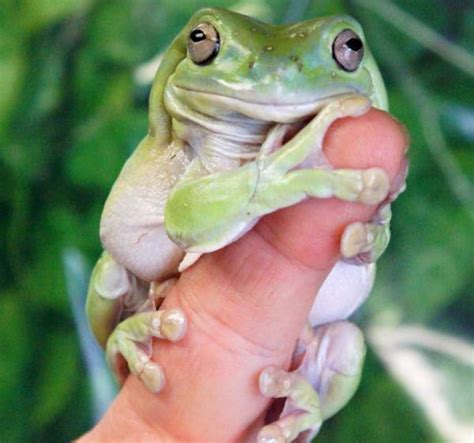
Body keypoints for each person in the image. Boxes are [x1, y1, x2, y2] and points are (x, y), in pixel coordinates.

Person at [78, 109, 408, 442]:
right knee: (112, 272)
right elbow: (153, 226)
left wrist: (375, 226)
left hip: (291, 334)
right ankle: (122, 339)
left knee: (347, 348)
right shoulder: (204, 136)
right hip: (167, 304)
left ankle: (298, 416)